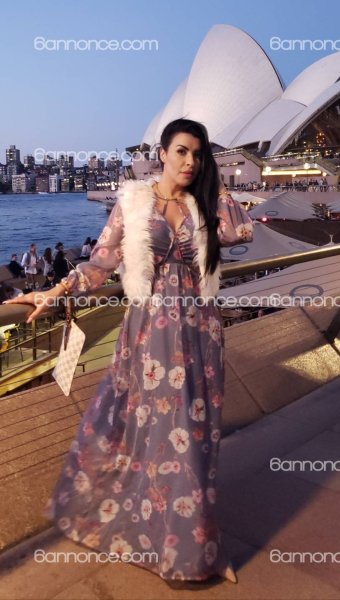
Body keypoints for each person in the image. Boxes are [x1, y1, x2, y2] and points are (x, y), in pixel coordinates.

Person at [4, 119, 253, 585]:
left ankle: (197, 540)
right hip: (150, 333)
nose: (190, 162)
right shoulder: (134, 203)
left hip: (200, 330)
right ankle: (174, 540)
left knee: (196, 432)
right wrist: (54, 292)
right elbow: (101, 262)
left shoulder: (202, 202)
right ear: (162, 153)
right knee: (157, 431)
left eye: (198, 154)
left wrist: (214, 184)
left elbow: (242, 230)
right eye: (181, 151)